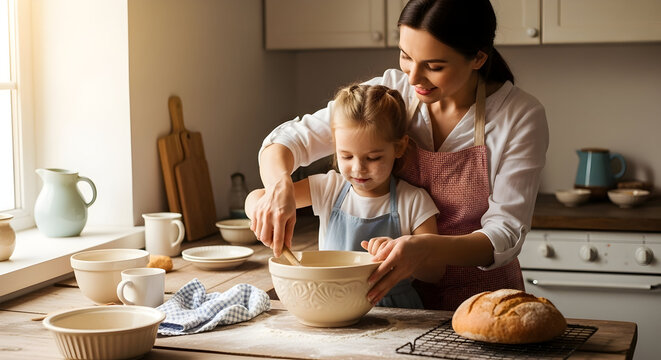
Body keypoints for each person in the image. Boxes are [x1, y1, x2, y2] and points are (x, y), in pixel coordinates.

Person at [250, 0, 549, 310]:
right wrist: (279, 187)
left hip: (483, 303)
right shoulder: (392, 95)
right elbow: (287, 141)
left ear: (478, 58)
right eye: (406, 56)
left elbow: (506, 233)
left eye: (434, 66)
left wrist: (427, 248)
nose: (414, 77)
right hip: (396, 308)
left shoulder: (519, 116)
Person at [246, 84, 440, 308]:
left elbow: (434, 272)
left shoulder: (414, 201)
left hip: (398, 313)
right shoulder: (329, 188)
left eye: (373, 158)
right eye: (346, 156)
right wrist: (264, 214)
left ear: (399, 147)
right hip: (331, 305)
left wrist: (403, 252)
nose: (358, 169)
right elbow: (256, 197)